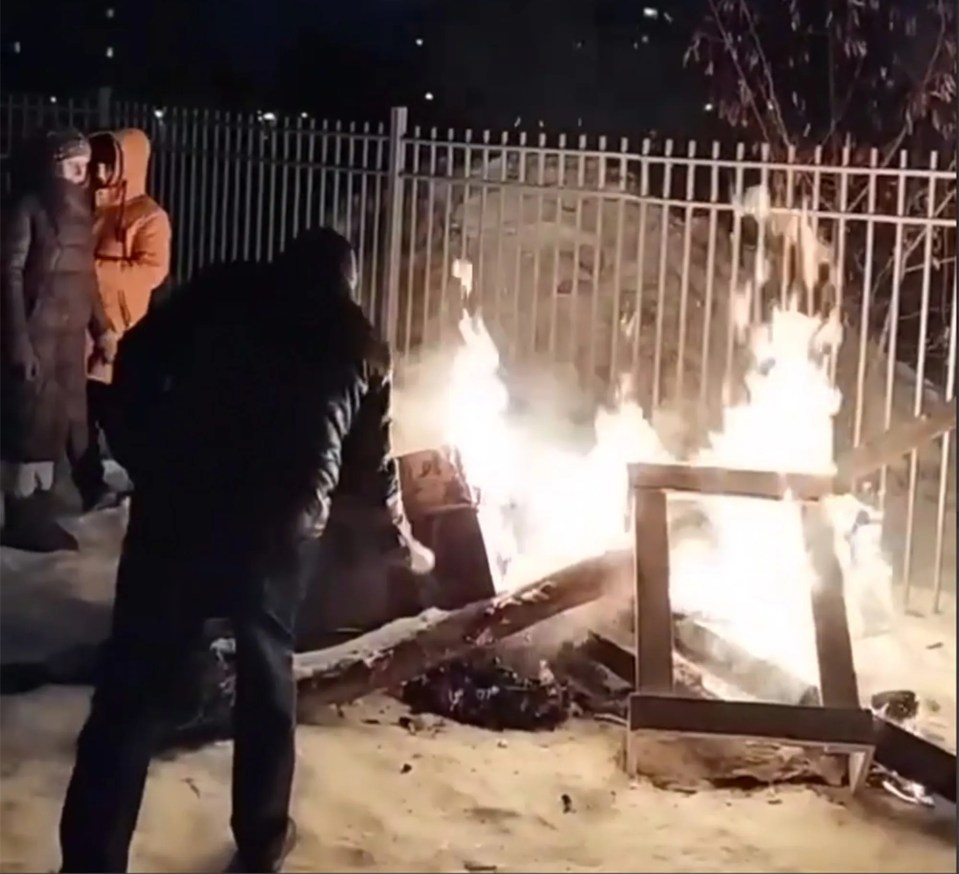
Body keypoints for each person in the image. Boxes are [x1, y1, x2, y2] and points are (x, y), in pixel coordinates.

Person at [59, 228, 432, 874]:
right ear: (347, 281)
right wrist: (398, 539)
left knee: (128, 691)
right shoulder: (360, 342)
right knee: (265, 675)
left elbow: (138, 359)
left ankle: (91, 860)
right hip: (276, 526)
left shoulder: (223, 286)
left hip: (180, 501)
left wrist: (146, 451)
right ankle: (261, 841)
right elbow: (370, 471)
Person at [0, 129, 118, 553]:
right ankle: (21, 517)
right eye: (74, 168)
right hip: (37, 338)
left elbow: (86, 279)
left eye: (84, 170)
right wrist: (17, 342)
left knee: (57, 426)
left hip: (67, 342)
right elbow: (8, 277)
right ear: (52, 168)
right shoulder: (27, 209)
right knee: (27, 428)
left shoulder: (80, 216)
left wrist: (101, 328)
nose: (81, 178)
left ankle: (41, 513)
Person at [74, 127, 171, 511]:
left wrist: (89, 269)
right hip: (84, 324)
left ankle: (151, 480)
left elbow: (151, 271)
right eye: (98, 159)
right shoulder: (90, 208)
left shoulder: (148, 216)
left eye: (109, 161)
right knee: (83, 412)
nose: (100, 168)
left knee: (119, 416)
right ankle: (91, 483)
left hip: (122, 329)